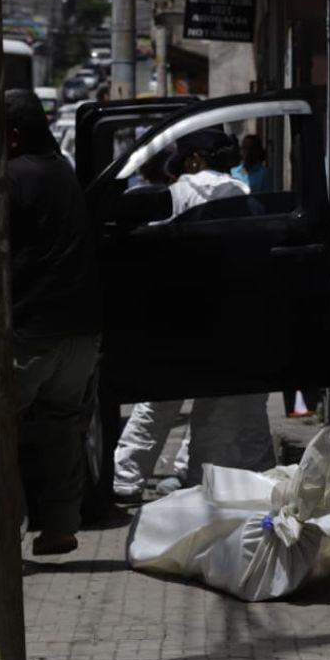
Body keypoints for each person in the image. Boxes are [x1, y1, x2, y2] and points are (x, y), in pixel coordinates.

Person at [113, 130, 275, 500]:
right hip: (232, 320)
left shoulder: (175, 195)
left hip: (179, 318)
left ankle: (125, 480)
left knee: (156, 406)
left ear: (194, 160)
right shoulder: (247, 197)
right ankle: (198, 476)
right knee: (221, 408)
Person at [4, 88, 101, 556]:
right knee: (62, 426)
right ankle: (61, 526)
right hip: (80, 331)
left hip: (33, 329)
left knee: (0, 429)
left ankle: (3, 532)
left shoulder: (12, 177)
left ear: (15, 136)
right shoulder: (63, 171)